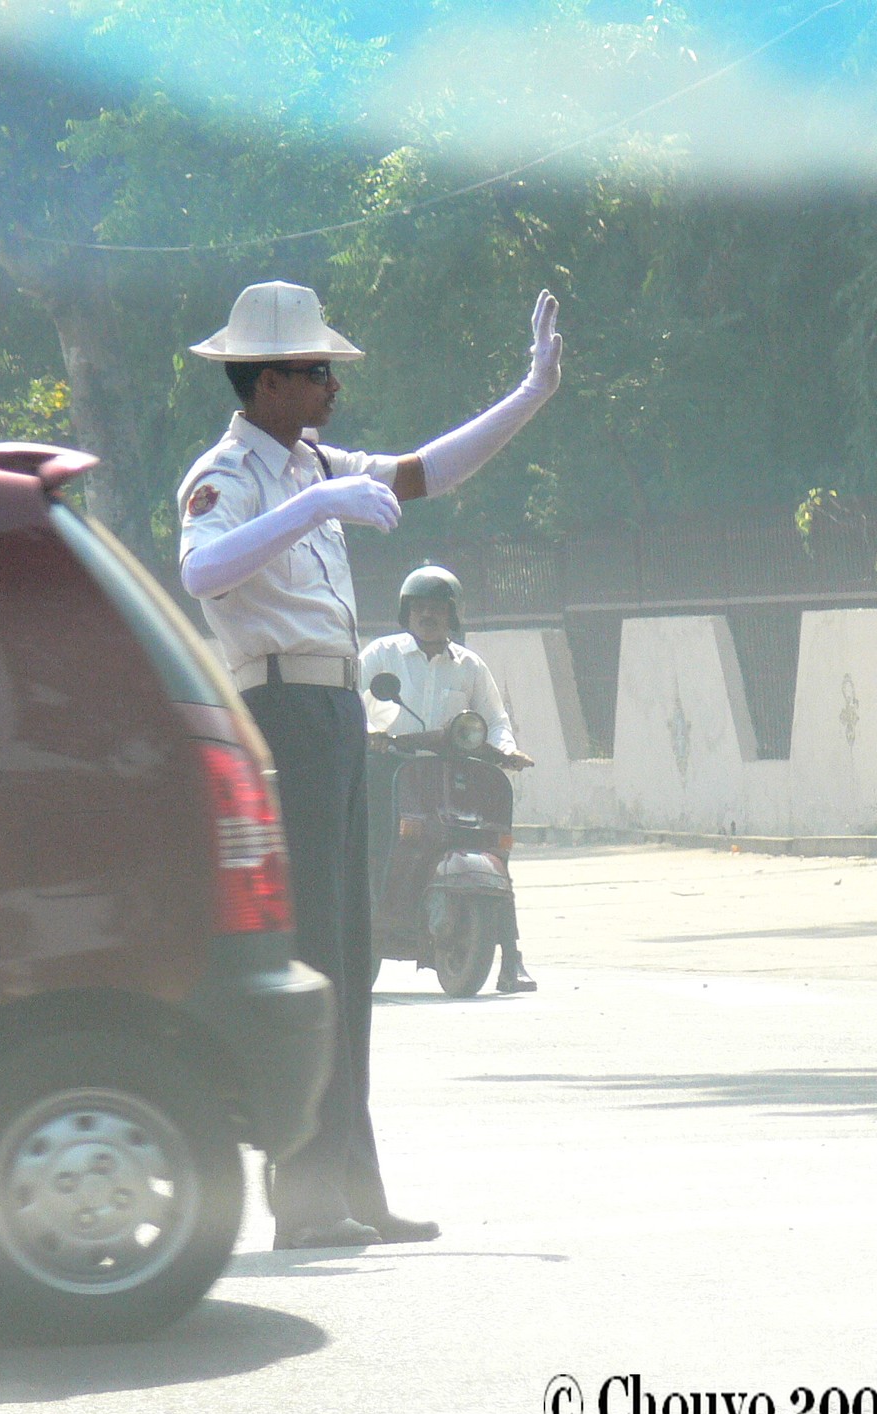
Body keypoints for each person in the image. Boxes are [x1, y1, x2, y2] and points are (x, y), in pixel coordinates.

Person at [177, 279, 561, 1250]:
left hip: (340, 709)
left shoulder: (310, 460)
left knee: (348, 949)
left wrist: (529, 392)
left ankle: (352, 1181)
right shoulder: (227, 473)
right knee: (309, 947)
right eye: (313, 370)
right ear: (266, 381)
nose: (329, 384)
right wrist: (316, 510)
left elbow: (425, 471)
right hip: (276, 703)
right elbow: (202, 570)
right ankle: (305, 1195)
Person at [360, 564, 538, 994]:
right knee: (378, 839)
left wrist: (507, 749)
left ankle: (511, 954)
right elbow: (353, 702)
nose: (428, 616)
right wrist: (372, 736)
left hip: (454, 768)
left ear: (453, 615)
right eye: (420, 608)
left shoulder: (470, 666)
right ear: (407, 613)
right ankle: (367, 916)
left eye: (438, 609)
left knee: (492, 839)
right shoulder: (382, 655)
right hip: (392, 767)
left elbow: (495, 718)